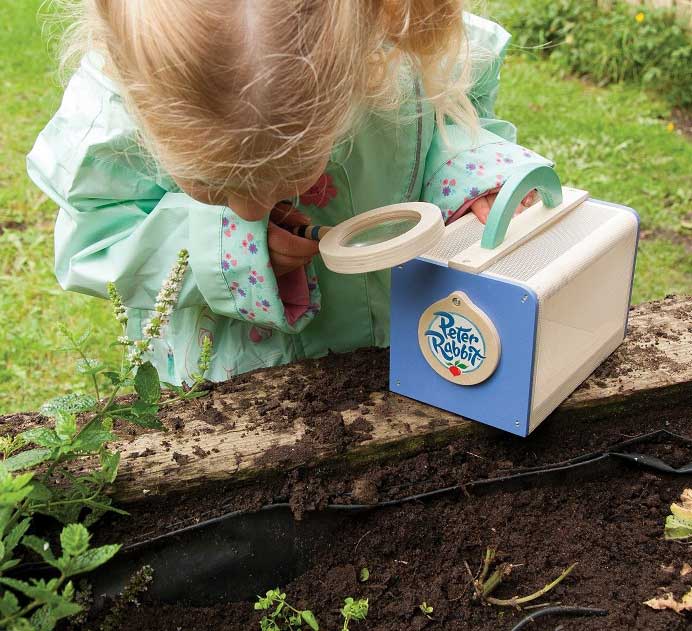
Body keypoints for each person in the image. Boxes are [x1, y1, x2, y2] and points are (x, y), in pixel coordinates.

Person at [27, 1, 550, 384]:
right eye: (214, 186)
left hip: (390, 341)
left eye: (289, 176)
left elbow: (450, 118)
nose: (251, 210)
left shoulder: (395, 51)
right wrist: (227, 247)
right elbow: (95, 245)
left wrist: (470, 174)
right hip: (240, 379)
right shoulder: (119, 105)